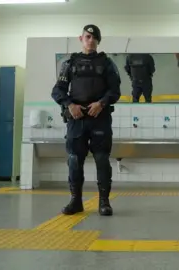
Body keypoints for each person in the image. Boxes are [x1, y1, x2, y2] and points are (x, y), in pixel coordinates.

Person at [51, 24, 121, 216]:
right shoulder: (70, 63)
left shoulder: (107, 63)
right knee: (74, 160)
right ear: (80, 38)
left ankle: (104, 203)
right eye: (87, 37)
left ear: (98, 41)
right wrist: (69, 105)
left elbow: (115, 91)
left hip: (100, 117)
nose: (91, 41)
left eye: (94, 38)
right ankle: (75, 201)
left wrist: (102, 103)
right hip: (77, 118)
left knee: (102, 159)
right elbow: (57, 90)